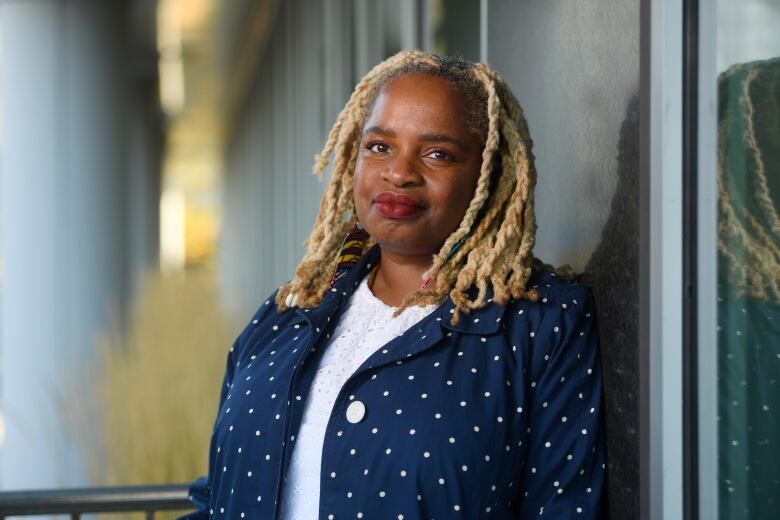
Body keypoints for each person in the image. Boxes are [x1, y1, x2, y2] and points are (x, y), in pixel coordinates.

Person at [179, 50, 605, 520]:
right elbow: (217, 499)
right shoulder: (286, 315)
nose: (399, 172)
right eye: (379, 146)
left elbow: (565, 508)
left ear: (490, 172)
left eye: (437, 154)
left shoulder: (540, 326)